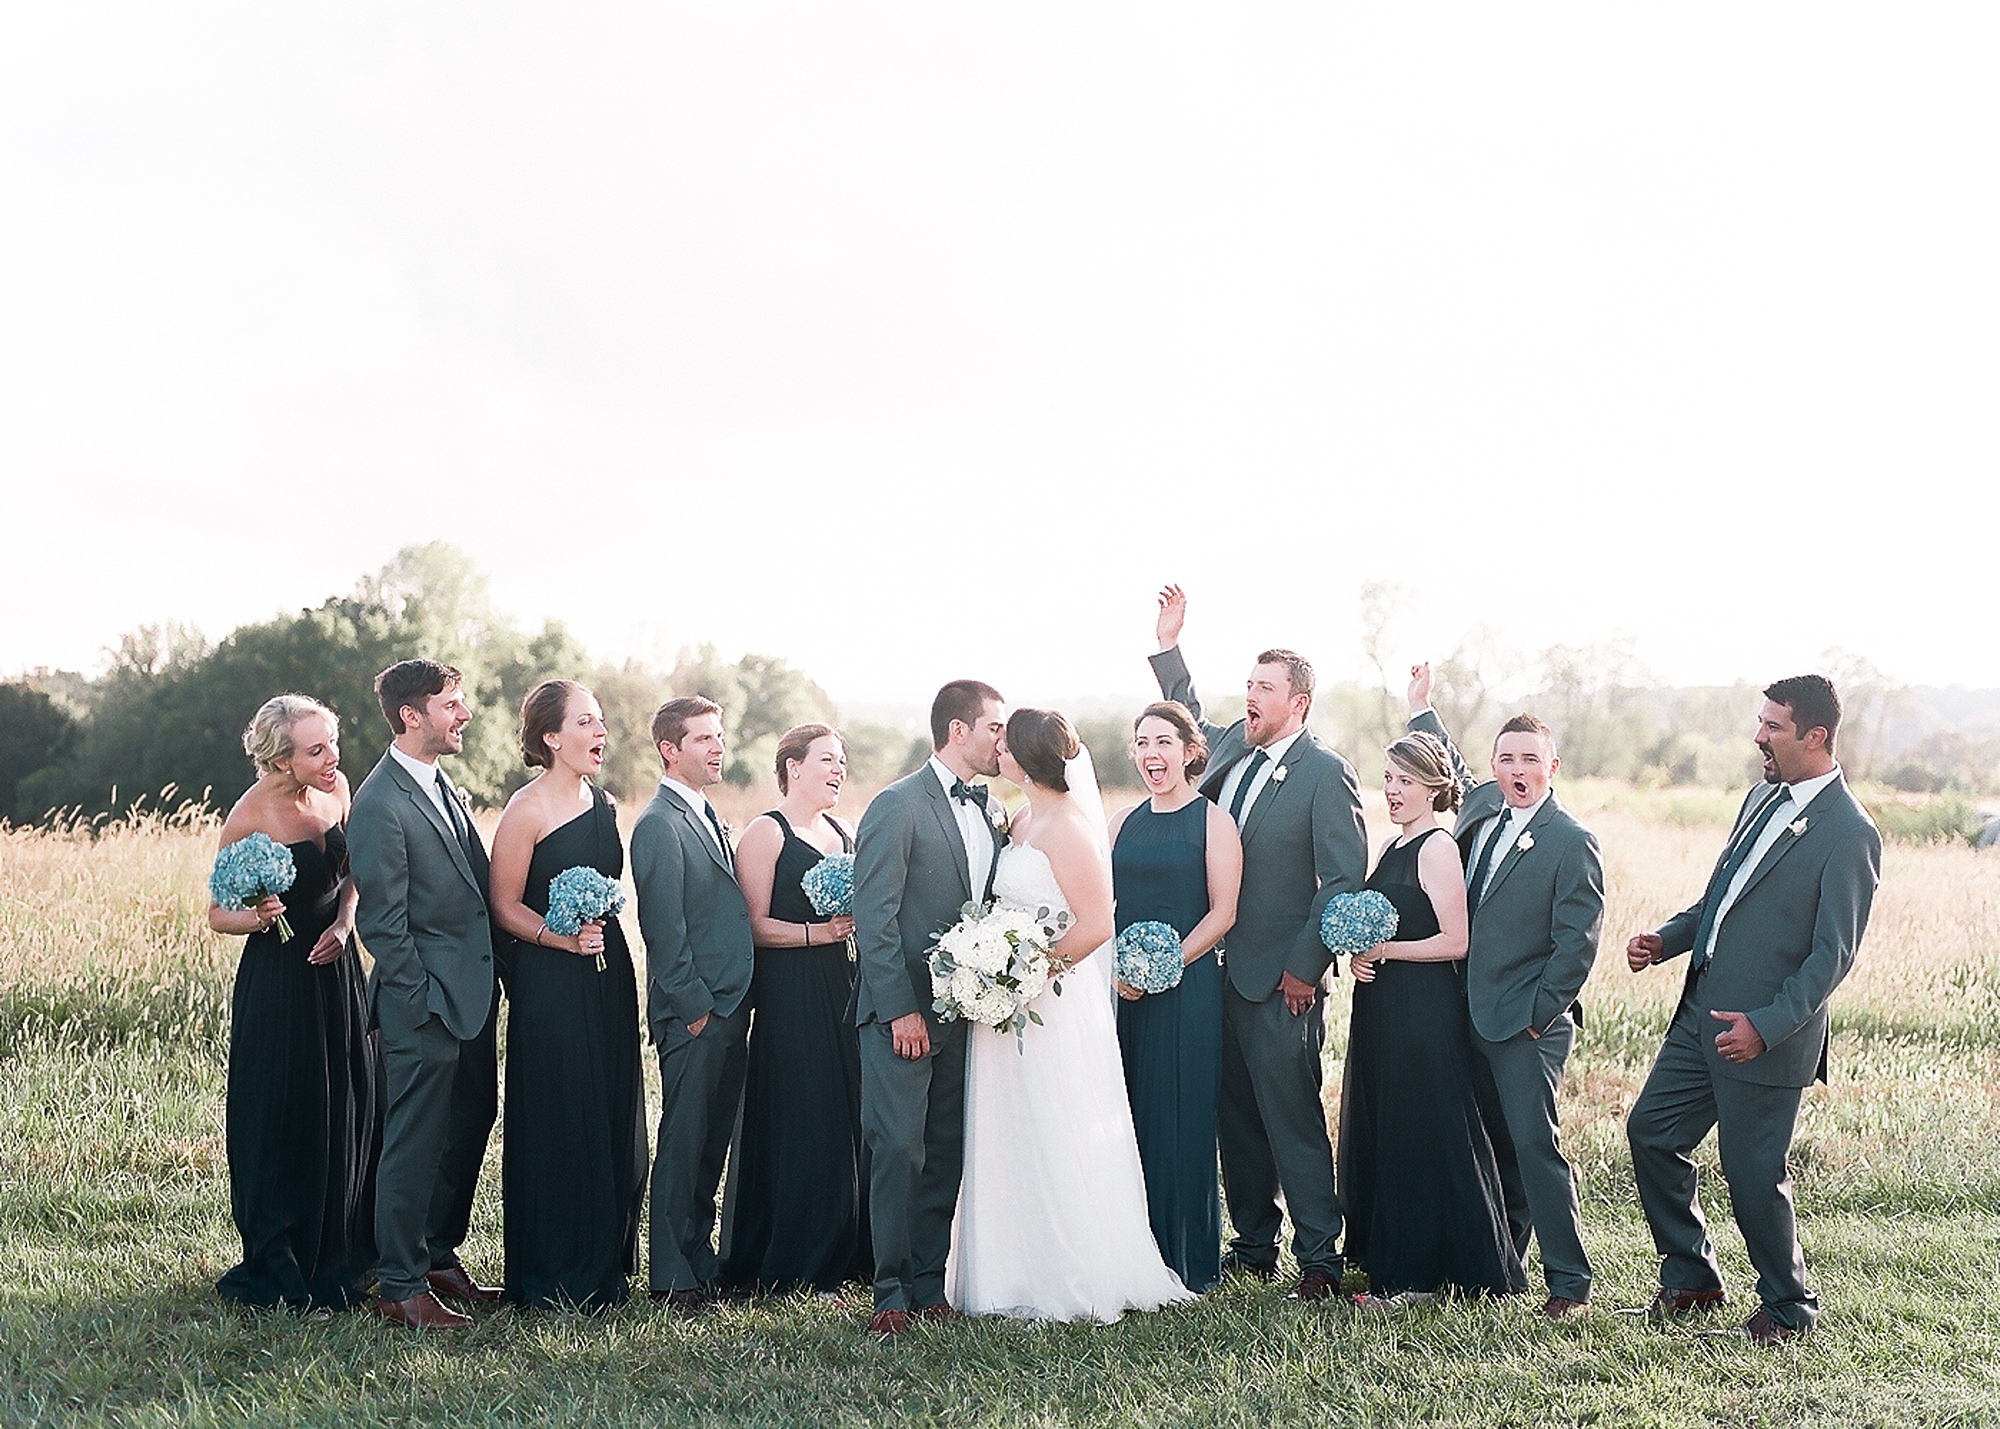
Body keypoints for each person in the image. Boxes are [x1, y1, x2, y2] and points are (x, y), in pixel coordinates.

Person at [1624, 675, 1881, 1344]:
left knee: (1752, 1175)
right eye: (1761, 721)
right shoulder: (1760, 798)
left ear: (1814, 736)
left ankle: (1789, 1306)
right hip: (1701, 1014)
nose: (1758, 735)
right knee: (1652, 1131)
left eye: (1773, 725)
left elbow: (1832, 957)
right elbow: (1725, 896)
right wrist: (1668, 939)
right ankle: (1693, 1276)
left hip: (1765, 1034)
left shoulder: (1849, 832)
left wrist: (1765, 1027)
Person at [1149, 586, 1367, 1300]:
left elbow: (1342, 879)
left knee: (1292, 1116)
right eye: (1247, 684)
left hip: (1282, 980)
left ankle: (1319, 1258)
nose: (1250, 696)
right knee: (1234, 1117)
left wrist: (1306, 965)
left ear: (1298, 702)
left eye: (1264, 688)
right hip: (1215, 977)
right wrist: (1169, 643)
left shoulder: (1325, 773)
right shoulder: (1231, 751)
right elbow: (1185, 714)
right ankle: (1252, 1242)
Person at [949, 708, 1197, 1321]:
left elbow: (1096, 925)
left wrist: (1026, 972)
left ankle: (1074, 1266)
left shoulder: (1071, 828)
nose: (996, 750)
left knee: (1057, 1120)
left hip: (1051, 1007)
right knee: (1008, 1124)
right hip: (1005, 1009)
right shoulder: (1021, 819)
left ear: (1027, 758)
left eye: (1005, 743)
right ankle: (1005, 1268)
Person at [1406, 664, 1605, 1319]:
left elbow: (1577, 944)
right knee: (1486, 1147)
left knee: (1534, 1146)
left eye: (1530, 759)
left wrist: (1537, 1016)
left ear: (1553, 765)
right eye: (1506, 758)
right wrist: (1421, 708)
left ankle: (1570, 1284)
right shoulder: (1485, 806)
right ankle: (1497, 1263)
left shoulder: (1571, 840)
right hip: (1465, 1011)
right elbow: (1452, 767)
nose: (1517, 769)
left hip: (1527, 1024)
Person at [1339, 730, 1524, 1308]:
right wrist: (1359, 952)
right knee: (1391, 1128)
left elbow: (1456, 939)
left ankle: (1424, 1277)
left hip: (1422, 1011)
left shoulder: (1437, 846)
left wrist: (1388, 950)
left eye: (1405, 782)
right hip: (1382, 1008)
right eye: (1389, 779)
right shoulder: (1395, 846)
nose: (1392, 791)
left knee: (1425, 1132)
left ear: (1434, 788)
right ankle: (1396, 1264)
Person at [208, 694, 380, 1313]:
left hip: (336, 966)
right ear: (281, 761)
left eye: (332, 742)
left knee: (347, 1100)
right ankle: (278, 1254)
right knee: (282, 1109)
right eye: (316, 750)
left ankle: (339, 1245)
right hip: (280, 978)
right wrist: (256, 916)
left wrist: (345, 921)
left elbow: (355, 868)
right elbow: (216, 915)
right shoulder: (248, 816)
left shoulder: (339, 790)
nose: (333, 757)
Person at [347, 659, 503, 1330]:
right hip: (425, 1009)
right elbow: (384, 923)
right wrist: (426, 1000)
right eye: (451, 703)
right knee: (413, 1145)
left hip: (472, 1000)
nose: (463, 713)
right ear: (412, 715)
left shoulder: (444, 786)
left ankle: (438, 1254)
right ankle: (401, 1286)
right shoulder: (380, 802)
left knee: (468, 1126)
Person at [852, 680, 1009, 1337]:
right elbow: (875, 917)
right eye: (994, 727)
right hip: (903, 1017)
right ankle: (888, 1289)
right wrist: (900, 1010)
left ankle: (928, 1280)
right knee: (898, 1148)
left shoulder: (995, 811)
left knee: (945, 1149)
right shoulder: (897, 805)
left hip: (968, 1015)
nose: (1003, 739)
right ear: (957, 730)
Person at [487, 680, 647, 1312]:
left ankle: (605, 1263)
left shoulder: (605, 804)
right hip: (551, 984)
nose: (600, 732)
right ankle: (553, 1272)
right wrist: (559, 939)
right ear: (551, 737)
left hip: (608, 976)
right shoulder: (526, 809)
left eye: (602, 721)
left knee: (608, 1105)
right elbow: (502, 906)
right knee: (560, 1111)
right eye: (586, 722)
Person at [719, 723, 871, 1295]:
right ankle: (792, 1253)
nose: (839, 770)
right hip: (790, 994)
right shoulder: (766, 832)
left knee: (843, 1111)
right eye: (829, 759)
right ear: (793, 767)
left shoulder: (842, 829)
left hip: (844, 985)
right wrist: (820, 933)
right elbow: (751, 925)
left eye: (843, 761)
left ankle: (844, 1245)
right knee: (801, 1112)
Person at [1108, 701, 1241, 1294]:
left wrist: (1165, 964)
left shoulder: (1214, 821)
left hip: (1188, 992)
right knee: (1131, 1112)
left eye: (1163, 742)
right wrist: (1117, 970)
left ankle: (1186, 1256)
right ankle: (1131, 1251)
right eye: (1141, 743)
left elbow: (1224, 912)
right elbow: (1103, 907)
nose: (1150, 755)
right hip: (1125, 993)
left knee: (1181, 1115)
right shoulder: (1121, 822)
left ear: (1190, 751)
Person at [631, 695, 755, 1314]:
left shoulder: (706, 813)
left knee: (711, 1145)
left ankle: (700, 1262)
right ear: (670, 750)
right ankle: (671, 1277)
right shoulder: (658, 823)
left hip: (731, 1009)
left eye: (719, 737)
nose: (717, 748)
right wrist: (696, 1008)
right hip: (696, 1014)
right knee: (682, 1144)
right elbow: (664, 928)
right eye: (703, 739)